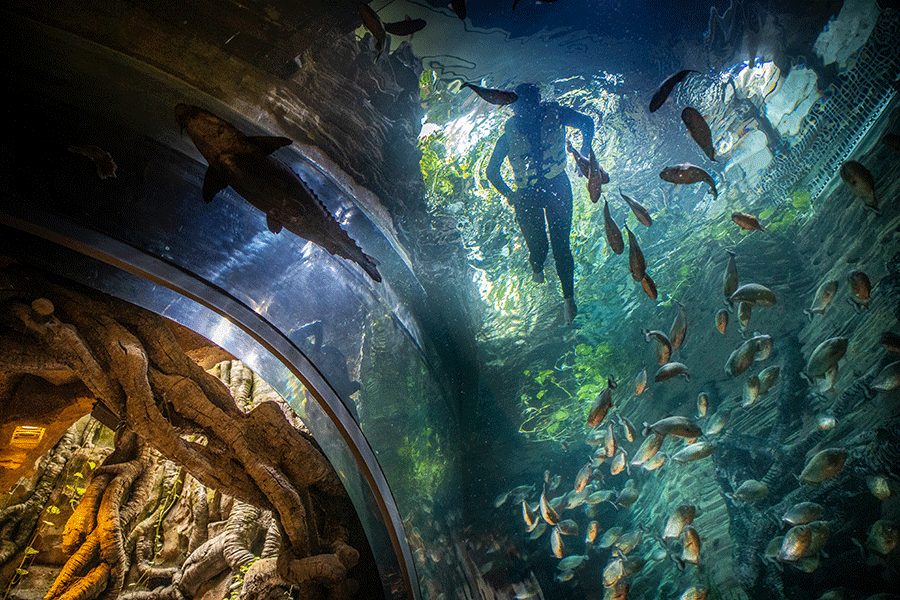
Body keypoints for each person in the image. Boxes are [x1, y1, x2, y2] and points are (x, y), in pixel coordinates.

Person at [486, 83, 594, 325]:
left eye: (530, 104)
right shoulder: (511, 134)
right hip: (535, 193)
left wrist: (584, 155)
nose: (528, 110)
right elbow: (491, 172)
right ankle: (539, 270)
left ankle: (568, 298)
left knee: (558, 246)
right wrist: (510, 195)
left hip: (549, 189)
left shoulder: (551, 116)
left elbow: (588, 123)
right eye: (524, 106)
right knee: (542, 247)